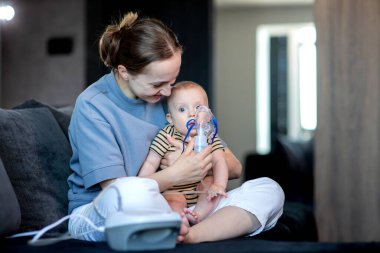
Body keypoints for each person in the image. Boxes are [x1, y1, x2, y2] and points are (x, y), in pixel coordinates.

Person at [67, 11, 285, 243]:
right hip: (101, 211)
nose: (168, 92)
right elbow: (115, 191)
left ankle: (188, 234)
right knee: (129, 192)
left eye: (172, 81)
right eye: (158, 84)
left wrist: (199, 163)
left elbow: (233, 168)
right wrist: (175, 173)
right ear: (124, 72)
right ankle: (172, 224)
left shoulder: (175, 102)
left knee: (269, 190)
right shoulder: (93, 105)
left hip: (183, 202)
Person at [138, 81, 228, 225]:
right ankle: (180, 220)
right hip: (174, 191)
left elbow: (219, 161)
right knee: (172, 200)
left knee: (211, 185)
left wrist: (219, 185)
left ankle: (198, 214)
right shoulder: (166, 136)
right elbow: (150, 162)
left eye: (198, 108)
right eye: (182, 110)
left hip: (202, 188)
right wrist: (142, 185)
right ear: (170, 119)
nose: (192, 114)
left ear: (207, 114)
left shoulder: (209, 136)